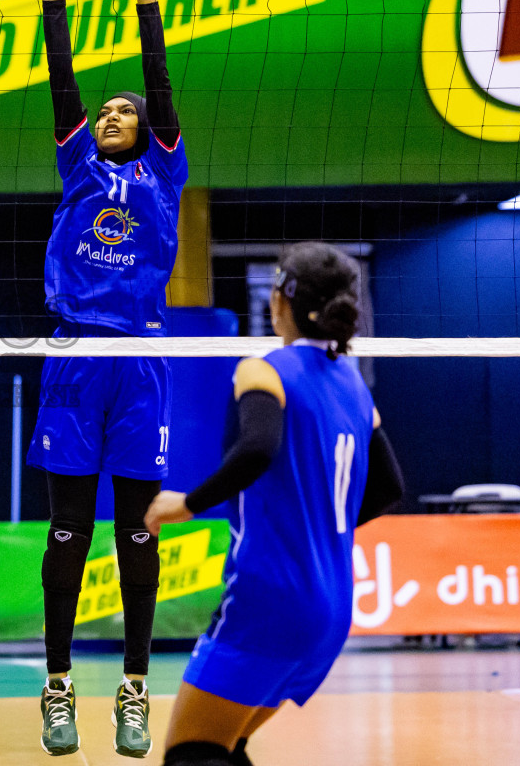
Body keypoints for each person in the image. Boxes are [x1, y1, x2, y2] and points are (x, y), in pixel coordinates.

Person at [8, 0, 187, 758]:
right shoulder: (80, 166)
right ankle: (55, 689)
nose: (114, 114)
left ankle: (135, 690)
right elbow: (62, 79)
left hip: (142, 361)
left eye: (128, 110)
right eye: (106, 112)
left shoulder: (165, 167)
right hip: (77, 353)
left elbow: (156, 79)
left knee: (137, 533)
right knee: (68, 534)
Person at [145, 243, 405, 766]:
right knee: (226, 744)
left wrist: (185, 504)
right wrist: (310, 517)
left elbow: (258, 449)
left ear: (280, 302)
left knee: (192, 753)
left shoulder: (264, 370)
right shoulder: (355, 385)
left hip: (269, 598)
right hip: (331, 609)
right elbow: (389, 487)